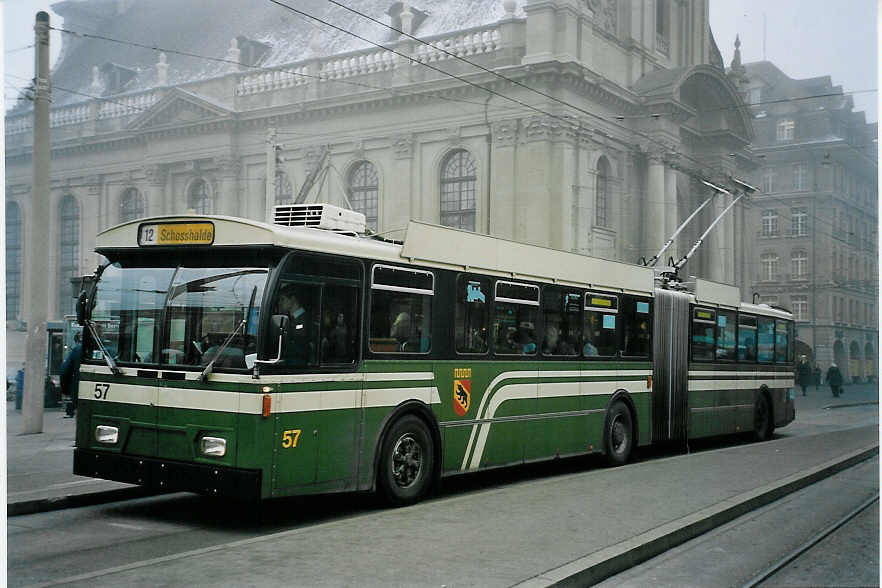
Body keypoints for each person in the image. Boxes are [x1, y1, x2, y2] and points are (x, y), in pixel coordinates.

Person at [276, 284, 313, 366]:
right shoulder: (291, 318)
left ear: (292, 299)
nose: (280, 303)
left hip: (298, 363)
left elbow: (298, 345)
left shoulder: (303, 319)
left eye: (283, 299)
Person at [60, 333, 83, 417]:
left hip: (77, 383)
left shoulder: (77, 350)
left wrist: (65, 389)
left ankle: (70, 412)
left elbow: (64, 370)